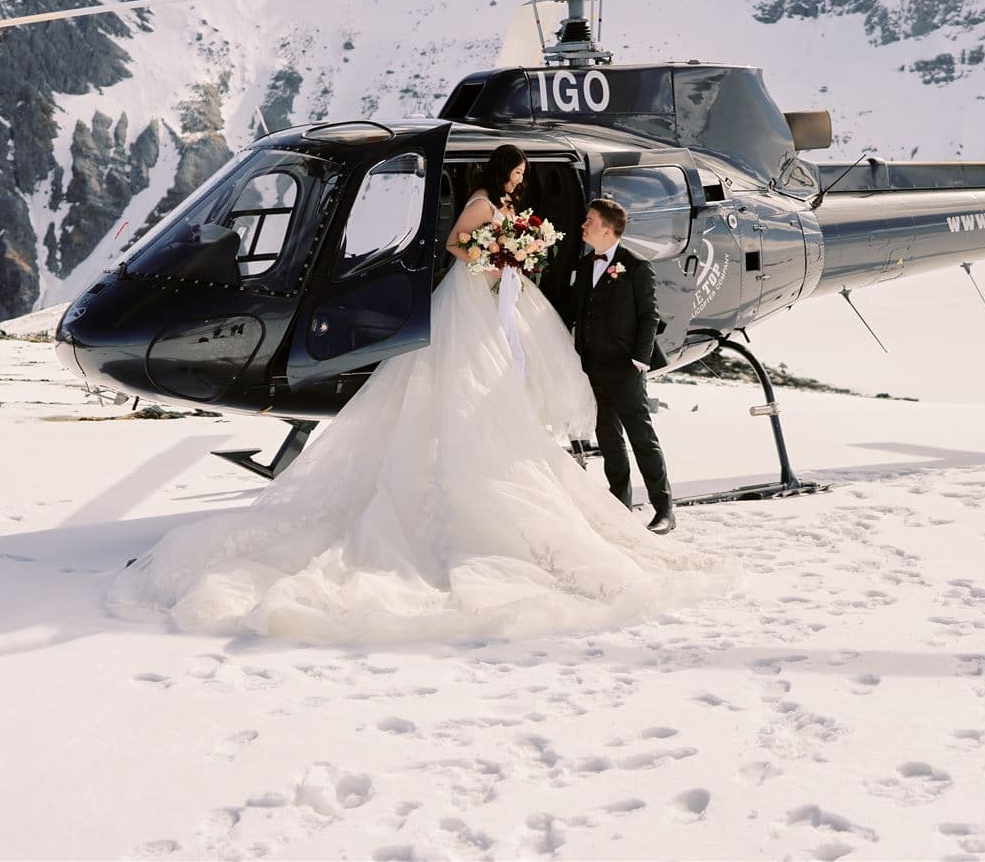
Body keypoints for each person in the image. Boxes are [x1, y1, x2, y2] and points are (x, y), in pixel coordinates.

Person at [108, 143, 733, 643]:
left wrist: (510, 257)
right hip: (472, 296)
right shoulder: (482, 202)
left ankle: (649, 496)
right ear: (499, 173)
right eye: (514, 174)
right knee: (462, 379)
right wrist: (490, 258)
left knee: (513, 391)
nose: (518, 183)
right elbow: (456, 245)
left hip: (503, 303)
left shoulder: (571, 236)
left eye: (521, 176)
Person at [567, 198, 675, 533]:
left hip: (626, 367)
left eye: (589, 220)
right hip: (592, 366)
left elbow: (649, 316)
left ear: (608, 228)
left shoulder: (637, 266)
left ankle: (664, 510)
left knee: (642, 437)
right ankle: (619, 506)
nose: (584, 225)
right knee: (608, 439)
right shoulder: (585, 266)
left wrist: (639, 361)